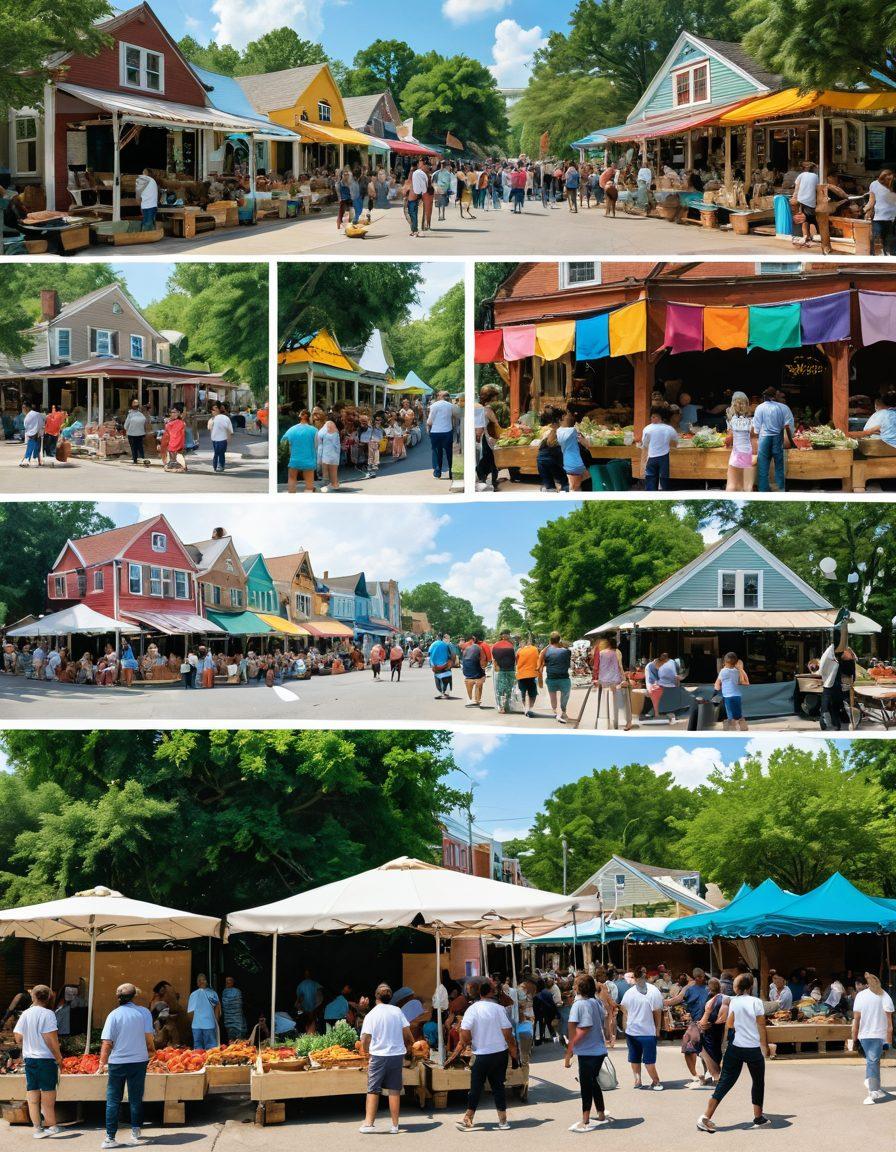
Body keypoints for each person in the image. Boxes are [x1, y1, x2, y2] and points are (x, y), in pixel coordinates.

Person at [697, 972, 769, 1132]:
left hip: (735, 1047)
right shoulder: (756, 1002)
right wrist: (765, 1047)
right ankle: (758, 1117)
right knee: (758, 1082)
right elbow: (761, 1025)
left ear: (737, 987)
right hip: (752, 1049)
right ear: (750, 987)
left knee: (725, 1082)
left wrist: (724, 1045)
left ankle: (705, 1117)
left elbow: (729, 1024)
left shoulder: (733, 1002)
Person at [448, 980, 518, 1132]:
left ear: (479, 993)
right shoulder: (499, 1009)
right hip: (500, 1054)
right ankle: (503, 1121)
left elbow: (465, 1035)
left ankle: (468, 1118)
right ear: (492, 993)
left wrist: (461, 1048)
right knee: (498, 1087)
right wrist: (514, 1055)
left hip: (481, 1054)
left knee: (476, 1087)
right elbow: (508, 1034)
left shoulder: (472, 1010)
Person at [99, 982, 155, 1149]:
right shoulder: (143, 1013)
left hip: (117, 1063)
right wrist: (151, 1050)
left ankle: (110, 1138)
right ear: (134, 996)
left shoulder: (113, 1015)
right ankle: (136, 1130)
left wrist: (102, 1062)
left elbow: (107, 1043)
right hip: (139, 1060)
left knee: (113, 1099)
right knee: (136, 1097)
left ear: (118, 997)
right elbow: (149, 1037)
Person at [358, 984, 414, 1134]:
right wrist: (410, 1046)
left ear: (376, 997)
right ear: (391, 998)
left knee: (373, 1089)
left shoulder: (372, 1014)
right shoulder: (397, 1012)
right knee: (394, 1089)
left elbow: (365, 1038)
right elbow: (408, 1035)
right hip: (396, 1056)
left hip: (378, 1056)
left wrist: (367, 1051)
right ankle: (395, 1126)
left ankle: (369, 1124)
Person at [14, 984, 64, 1139]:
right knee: (48, 1094)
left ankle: (38, 1128)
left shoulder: (25, 1014)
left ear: (33, 997)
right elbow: (50, 1039)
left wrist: (30, 1041)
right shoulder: (48, 1014)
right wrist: (58, 1057)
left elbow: (18, 1037)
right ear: (48, 997)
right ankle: (52, 1126)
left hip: (30, 1059)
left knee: (33, 1094)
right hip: (45, 1059)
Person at [564, 973, 613, 1131]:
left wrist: (569, 1049)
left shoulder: (581, 1004)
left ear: (580, 988)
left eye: (575, 984)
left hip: (588, 1052)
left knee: (586, 1085)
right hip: (598, 1050)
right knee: (593, 1083)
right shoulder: (595, 1002)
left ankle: (585, 1120)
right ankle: (600, 1114)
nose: (573, 987)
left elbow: (584, 1028)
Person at [851, 971, 893, 1105]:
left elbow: (856, 1021)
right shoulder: (883, 996)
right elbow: (889, 1025)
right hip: (872, 1035)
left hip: (870, 1035)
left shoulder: (864, 996)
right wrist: (889, 1043)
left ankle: (874, 1086)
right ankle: (873, 1091)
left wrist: (855, 1038)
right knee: (873, 1061)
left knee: (873, 1061)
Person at [666, 969, 713, 1086]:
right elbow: (676, 1000)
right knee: (688, 1047)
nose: (702, 979)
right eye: (699, 977)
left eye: (703, 977)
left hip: (708, 1023)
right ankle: (696, 1075)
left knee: (705, 1050)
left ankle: (709, 1074)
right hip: (695, 1023)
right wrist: (661, 1001)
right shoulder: (689, 989)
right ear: (695, 977)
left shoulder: (709, 989)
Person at [620, 968, 664, 1090]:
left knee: (634, 1057)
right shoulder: (653, 991)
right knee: (649, 1060)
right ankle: (656, 1082)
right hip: (647, 1032)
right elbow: (657, 1012)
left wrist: (626, 1026)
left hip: (632, 1031)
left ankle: (638, 1081)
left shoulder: (629, 993)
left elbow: (624, 1010)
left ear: (634, 977)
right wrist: (658, 1029)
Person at [752, 387, 795, 492]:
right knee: (779, 465)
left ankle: (763, 489)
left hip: (764, 438)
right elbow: (787, 427)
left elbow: (756, 429)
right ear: (775, 396)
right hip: (777, 438)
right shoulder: (783, 408)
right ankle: (780, 488)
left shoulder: (760, 408)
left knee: (763, 467)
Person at [595, 637, 632, 730]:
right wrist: (623, 679)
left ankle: (614, 723)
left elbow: (599, 667)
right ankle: (627, 722)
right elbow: (619, 666)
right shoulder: (617, 652)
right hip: (617, 680)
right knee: (623, 701)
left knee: (611, 702)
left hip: (606, 681)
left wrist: (599, 679)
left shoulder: (602, 652)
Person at [641, 405, 679, 491]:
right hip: (664, 455)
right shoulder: (669, 429)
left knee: (650, 476)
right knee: (664, 476)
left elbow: (644, 443)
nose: (651, 418)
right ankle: (664, 491)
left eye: (653, 416)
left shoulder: (647, 429)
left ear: (659, 418)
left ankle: (651, 493)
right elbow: (676, 441)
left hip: (652, 456)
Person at [282, 409, 318, 493]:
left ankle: (291, 499)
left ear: (301, 416)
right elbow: (317, 445)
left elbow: (283, 442)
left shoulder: (292, 429)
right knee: (309, 486)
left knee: (292, 479)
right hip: (309, 459)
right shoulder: (314, 430)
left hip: (294, 459)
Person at [539, 631, 572, 724]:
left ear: (550, 641)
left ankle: (555, 711)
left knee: (553, 697)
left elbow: (543, 661)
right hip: (564, 679)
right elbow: (568, 664)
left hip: (551, 679)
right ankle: (563, 711)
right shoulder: (567, 651)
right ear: (559, 640)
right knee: (565, 696)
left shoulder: (546, 652)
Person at [725, 392, 755, 492]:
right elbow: (752, 436)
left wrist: (726, 443)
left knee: (732, 485)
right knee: (747, 486)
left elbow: (729, 437)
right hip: (747, 452)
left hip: (736, 453)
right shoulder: (751, 421)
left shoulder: (731, 420)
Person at [715, 651, 749, 731]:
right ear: (736, 662)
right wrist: (741, 669)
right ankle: (744, 728)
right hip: (737, 696)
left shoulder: (723, 671)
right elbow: (745, 682)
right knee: (738, 714)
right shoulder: (737, 671)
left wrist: (717, 690)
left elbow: (717, 684)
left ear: (725, 662)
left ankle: (731, 730)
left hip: (728, 697)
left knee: (730, 715)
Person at [865, 169, 896, 256]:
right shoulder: (874, 185)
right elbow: (871, 200)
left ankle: (889, 256)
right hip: (878, 217)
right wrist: (866, 210)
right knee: (876, 237)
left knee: (889, 239)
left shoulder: (894, 184)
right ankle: (874, 256)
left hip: (892, 218)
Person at [557, 411, 588, 491]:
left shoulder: (558, 432)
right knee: (574, 488)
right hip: (576, 463)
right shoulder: (574, 432)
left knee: (574, 485)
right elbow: (586, 444)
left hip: (567, 462)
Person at [187, 974, 220, 1050]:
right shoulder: (193, 995)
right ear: (197, 983)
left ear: (207, 981)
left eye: (203, 980)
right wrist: (194, 1023)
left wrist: (216, 1022)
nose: (201, 981)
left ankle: (210, 1062)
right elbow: (190, 1012)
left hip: (209, 1025)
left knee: (211, 1050)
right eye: (199, 980)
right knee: (199, 1051)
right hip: (196, 1027)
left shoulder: (213, 993)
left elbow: (217, 1008)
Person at [427, 390, 455, 480]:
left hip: (436, 432)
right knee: (449, 452)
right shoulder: (451, 406)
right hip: (447, 431)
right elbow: (453, 419)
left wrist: (428, 426)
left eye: (437, 395)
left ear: (439, 396)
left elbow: (429, 420)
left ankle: (437, 472)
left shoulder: (434, 405)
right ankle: (451, 471)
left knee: (436, 452)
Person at [791, 161, 819, 246]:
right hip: (811, 201)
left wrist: (794, 198)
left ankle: (805, 236)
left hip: (802, 200)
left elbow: (797, 188)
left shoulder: (801, 175)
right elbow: (817, 188)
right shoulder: (816, 176)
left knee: (804, 219)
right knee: (809, 218)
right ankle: (808, 236)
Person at [645, 653, 679, 720]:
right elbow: (652, 681)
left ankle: (661, 712)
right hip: (654, 686)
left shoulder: (669, 665)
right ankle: (657, 713)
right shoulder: (651, 666)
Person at [492, 630, 517, 714]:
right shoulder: (511, 645)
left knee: (507, 689)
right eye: (506, 635)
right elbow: (494, 659)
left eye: (508, 635)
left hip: (508, 670)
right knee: (503, 689)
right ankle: (503, 706)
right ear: (502, 636)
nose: (507, 636)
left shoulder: (511, 645)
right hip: (504, 670)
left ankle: (505, 706)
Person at [515, 635, 540, 718]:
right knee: (532, 693)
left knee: (522, 693)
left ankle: (525, 708)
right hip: (532, 674)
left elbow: (516, 662)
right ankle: (530, 708)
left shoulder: (519, 651)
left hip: (521, 675)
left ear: (522, 643)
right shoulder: (535, 649)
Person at [461, 634, 488, 707]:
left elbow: (463, 661)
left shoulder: (465, 649)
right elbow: (483, 660)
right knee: (481, 677)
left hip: (466, 673)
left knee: (469, 679)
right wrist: (484, 670)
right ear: (473, 640)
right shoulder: (478, 647)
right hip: (476, 673)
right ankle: (477, 700)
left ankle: (470, 699)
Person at [316, 417, 341, 492]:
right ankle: (335, 484)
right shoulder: (336, 432)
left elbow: (320, 447)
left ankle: (327, 486)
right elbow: (338, 445)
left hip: (326, 455)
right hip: (335, 455)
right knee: (334, 472)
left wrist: (319, 459)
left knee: (325, 473)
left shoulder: (321, 432)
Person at [208, 402, 233, 473]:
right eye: (212, 410)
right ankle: (215, 465)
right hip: (214, 440)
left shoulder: (225, 418)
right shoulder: (211, 420)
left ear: (219, 409)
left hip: (223, 439)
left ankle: (220, 465)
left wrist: (229, 439)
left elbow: (229, 430)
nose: (213, 411)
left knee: (221, 452)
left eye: (215, 408)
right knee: (216, 452)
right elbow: (209, 428)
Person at [428, 633, 455, 700]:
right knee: (447, 679)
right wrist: (451, 663)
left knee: (438, 679)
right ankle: (446, 693)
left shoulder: (433, 644)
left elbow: (429, 653)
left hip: (435, 666)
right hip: (446, 665)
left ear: (437, 637)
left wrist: (432, 665)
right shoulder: (448, 645)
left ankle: (441, 693)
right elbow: (453, 655)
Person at [221, 976, 247, 1042]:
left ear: (233, 982)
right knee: (231, 1039)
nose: (228, 982)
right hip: (228, 1020)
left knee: (239, 1040)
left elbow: (239, 1005)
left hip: (237, 1020)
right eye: (226, 981)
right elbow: (225, 1005)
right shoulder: (224, 992)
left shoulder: (237, 991)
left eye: (229, 980)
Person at [124, 401, 148, 466]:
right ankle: (143, 458)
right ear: (138, 408)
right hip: (141, 433)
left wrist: (127, 429)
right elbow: (145, 423)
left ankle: (135, 460)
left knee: (133, 447)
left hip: (132, 434)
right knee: (140, 446)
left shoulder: (130, 415)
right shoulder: (141, 415)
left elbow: (126, 426)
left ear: (131, 408)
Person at [163, 408, 187, 473]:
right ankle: (172, 461)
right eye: (172, 412)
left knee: (172, 450)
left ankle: (173, 462)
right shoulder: (170, 421)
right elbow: (167, 429)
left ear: (178, 413)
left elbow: (182, 429)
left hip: (177, 439)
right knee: (171, 450)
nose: (173, 413)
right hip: (172, 438)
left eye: (174, 412)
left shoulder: (180, 422)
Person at [20, 400, 43, 467]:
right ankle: (38, 461)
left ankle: (27, 460)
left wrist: (34, 431)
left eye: (24, 407)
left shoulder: (32, 415)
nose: (23, 409)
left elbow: (27, 425)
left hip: (33, 432)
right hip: (36, 432)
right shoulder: (34, 414)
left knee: (31, 446)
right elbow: (41, 423)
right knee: (36, 447)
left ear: (27, 408)